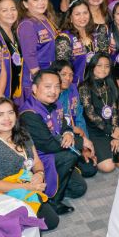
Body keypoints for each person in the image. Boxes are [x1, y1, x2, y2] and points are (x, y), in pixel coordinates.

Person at [0, 98, 58, 230]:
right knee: (31, 228)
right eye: (0, 115)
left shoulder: (23, 135)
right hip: (4, 196)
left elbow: (36, 162)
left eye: (10, 113)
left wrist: (39, 173)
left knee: (51, 221)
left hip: (27, 188)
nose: (7, 118)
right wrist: (27, 187)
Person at [20, 65, 89, 215]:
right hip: (39, 157)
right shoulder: (29, 113)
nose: (54, 91)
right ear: (34, 88)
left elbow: (65, 125)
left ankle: (55, 185)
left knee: (79, 189)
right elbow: (48, 145)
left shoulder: (55, 103)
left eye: (57, 87)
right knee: (70, 155)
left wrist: (69, 134)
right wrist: (81, 142)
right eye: (48, 86)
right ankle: (52, 201)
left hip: (56, 149)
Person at [78, 52, 119, 172]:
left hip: (111, 129)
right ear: (92, 66)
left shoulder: (110, 84)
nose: (103, 69)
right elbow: (91, 115)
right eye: (99, 65)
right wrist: (111, 131)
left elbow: (115, 110)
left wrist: (116, 131)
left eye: (107, 66)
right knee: (108, 167)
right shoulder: (84, 87)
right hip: (96, 131)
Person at [16, 0, 59, 101]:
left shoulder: (45, 19)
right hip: (36, 78)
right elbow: (29, 55)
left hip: (49, 73)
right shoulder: (27, 25)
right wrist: (41, 81)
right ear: (25, 4)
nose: (41, 3)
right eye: (35, 0)